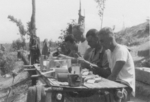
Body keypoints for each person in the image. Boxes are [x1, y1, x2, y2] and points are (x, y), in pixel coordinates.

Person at [98, 27, 135, 102]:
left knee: (101, 95)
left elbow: (113, 76)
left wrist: (100, 85)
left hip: (125, 86)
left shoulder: (121, 50)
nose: (101, 44)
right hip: (116, 83)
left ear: (110, 39)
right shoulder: (109, 52)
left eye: (102, 41)